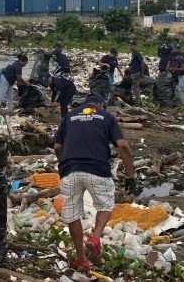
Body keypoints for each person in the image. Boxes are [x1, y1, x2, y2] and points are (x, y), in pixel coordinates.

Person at [54, 94, 136, 271]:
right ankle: (95, 236)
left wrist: (63, 164)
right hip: (97, 168)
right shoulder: (106, 117)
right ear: (102, 104)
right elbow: (122, 145)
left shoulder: (69, 116)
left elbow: (57, 147)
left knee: (72, 214)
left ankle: (81, 259)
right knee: (105, 205)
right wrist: (131, 175)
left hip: (70, 169)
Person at [128, 40, 147, 106]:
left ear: (135, 46)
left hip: (136, 73)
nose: (129, 46)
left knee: (135, 88)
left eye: (131, 45)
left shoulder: (136, 53)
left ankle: (137, 103)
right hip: (134, 73)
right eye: (129, 45)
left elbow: (143, 63)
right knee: (135, 88)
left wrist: (142, 72)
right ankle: (137, 102)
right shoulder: (133, 53)